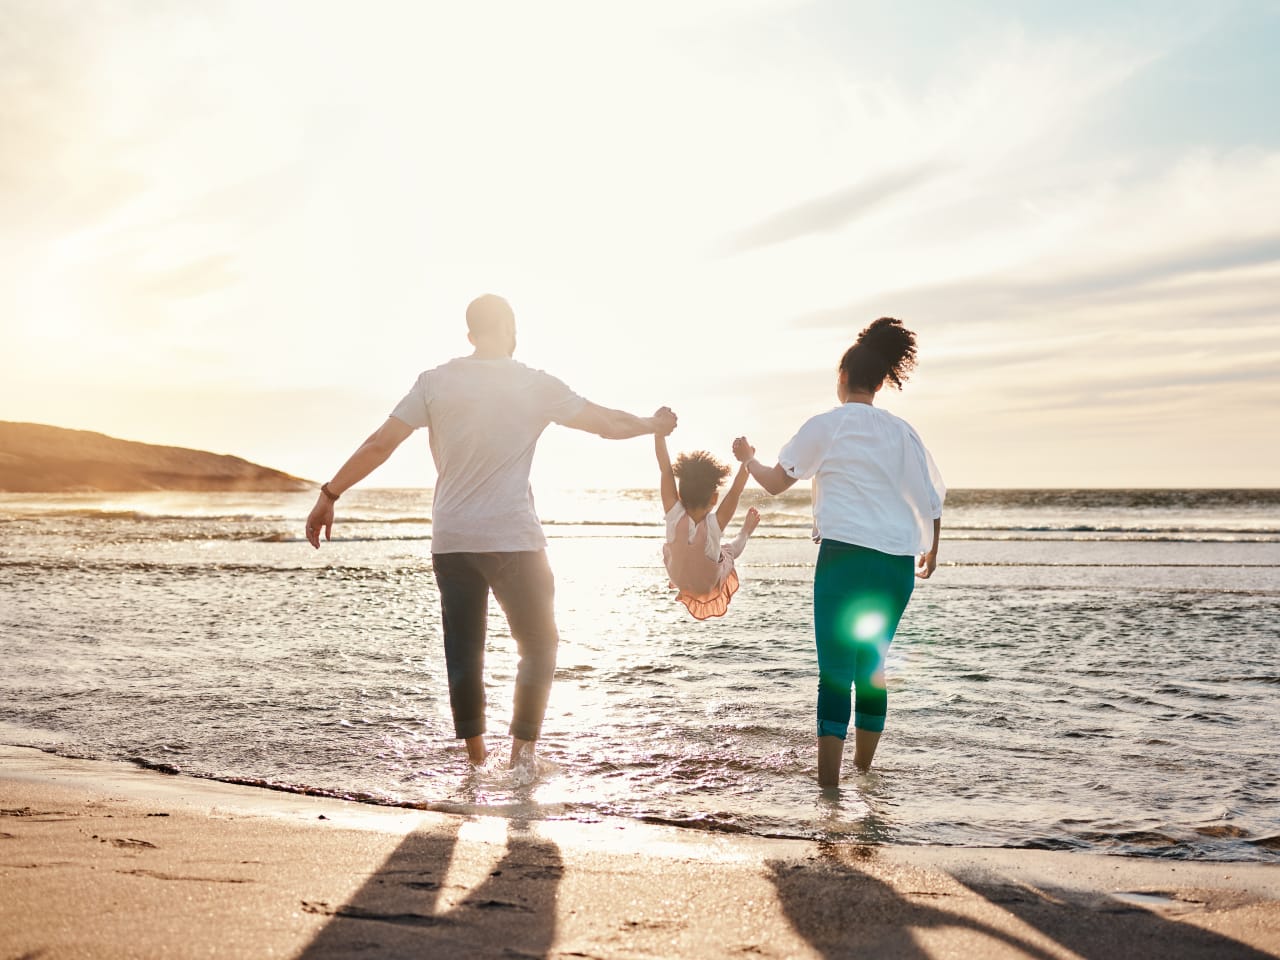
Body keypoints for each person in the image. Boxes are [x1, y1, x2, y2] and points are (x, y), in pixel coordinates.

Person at [304, 294, 677, 769]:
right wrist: (654, 424)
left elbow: (380, 444)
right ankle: (521, 757)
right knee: (539, 645)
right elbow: (607, 423)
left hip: (454, 539)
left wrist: (330, 494)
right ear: (509, 326)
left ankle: (477, 761)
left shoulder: (435, 382)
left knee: (464, 650)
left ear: (469, 334)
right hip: (515, 538)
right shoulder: (535, 384)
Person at [732, 317, 944, 786]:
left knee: (834, 670)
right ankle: (864, 777)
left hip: (846, 557)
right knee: (871, 665)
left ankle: (828, 791)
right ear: (881, 381)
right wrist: (932, 550)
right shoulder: (902, 431)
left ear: (843, 378)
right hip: (896, 564)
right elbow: (930, 497)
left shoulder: (827, 426)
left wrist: (747, 458)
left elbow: (773, 483)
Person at [655, 435, 760, 620]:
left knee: (718, 550)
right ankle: (745, 532)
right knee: (730, 550)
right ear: (714, 498)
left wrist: (659, 433)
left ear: (679, 494)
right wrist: (747, 460)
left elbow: (665, 469)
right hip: (707, 583)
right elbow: (736, 491)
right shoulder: (713, 525)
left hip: (678, 575)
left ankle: (743, 533)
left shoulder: (674, 514)